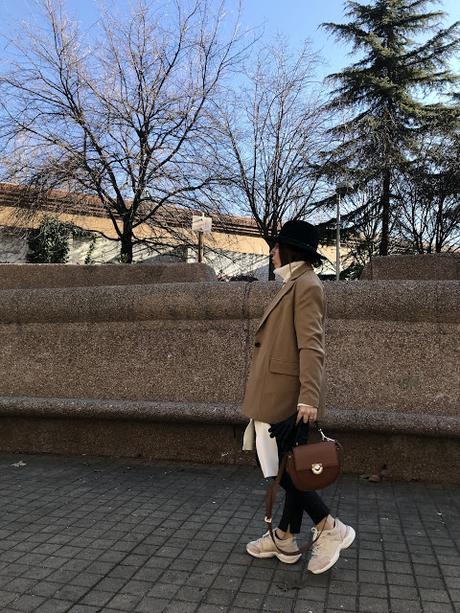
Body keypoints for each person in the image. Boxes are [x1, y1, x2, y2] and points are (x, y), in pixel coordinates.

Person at [241, 219, 355, 574]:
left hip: (285, 396)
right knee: (285, 467)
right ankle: (286, 538)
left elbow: (312, 346)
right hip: (276, 391)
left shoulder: (307, 286)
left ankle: (329, 527)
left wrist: (309, 397)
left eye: (276, 246)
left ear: (291, 250)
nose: (272, 252)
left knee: (284, 471)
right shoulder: (293, 284)